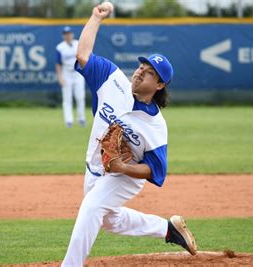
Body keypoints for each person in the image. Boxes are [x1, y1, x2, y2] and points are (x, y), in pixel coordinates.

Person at [61, 4, 197, 266]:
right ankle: (168, 229)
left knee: (91, 208)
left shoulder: (155, 126)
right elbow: (83, 54)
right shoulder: (112, 80)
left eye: (149, 73)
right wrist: (96, 17)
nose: (140, 72)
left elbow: (156, 170)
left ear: (158, 85)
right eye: (141, 67)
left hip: (126, 175)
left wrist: (122, 167)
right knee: (110, 220)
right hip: (95, 166)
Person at [56, 26, 86, 128]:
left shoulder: (78, 44)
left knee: (80, 97)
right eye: (65, 34)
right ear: (63, 36)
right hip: (66, 74)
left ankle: (81, 119)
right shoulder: (60, 47)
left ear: (72, 34)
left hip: (78, 74)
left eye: (69, 34)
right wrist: (60, 77)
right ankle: (69, 121)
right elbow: (58, 64)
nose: (67, 36)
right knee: (67, 98)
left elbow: (84, 58)